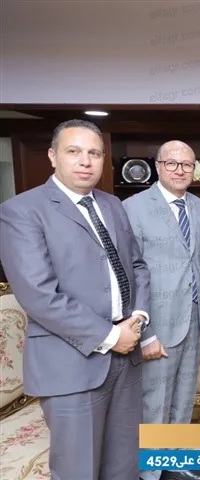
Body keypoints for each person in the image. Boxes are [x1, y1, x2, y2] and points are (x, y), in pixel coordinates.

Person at [0, 119, 150, 480]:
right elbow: (39, 295)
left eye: (94, 153)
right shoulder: (22, 211)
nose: (85, 161)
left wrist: (139, 317)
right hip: (71, 364)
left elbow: (137, 266)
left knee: (125, 464)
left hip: (126, 358)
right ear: (53, 156)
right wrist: (111, 336)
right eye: (74, 151)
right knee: (78, 470)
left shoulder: (112, 204)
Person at [123, 141, 200, 480]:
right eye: (172, 163)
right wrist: (144, 333)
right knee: (156, 399)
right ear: (157, 166)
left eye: (187, 165)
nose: (180, 170)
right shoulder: (134, 207)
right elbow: (129, 274)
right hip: (157, 322)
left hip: (194, 318)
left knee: (184, 395)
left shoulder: (198, 206)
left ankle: (176, 461)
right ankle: (150, 472)